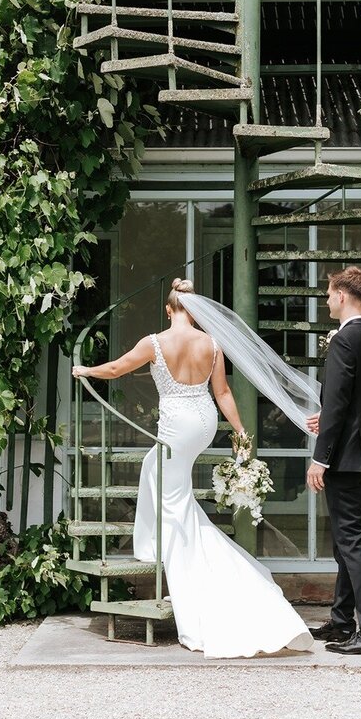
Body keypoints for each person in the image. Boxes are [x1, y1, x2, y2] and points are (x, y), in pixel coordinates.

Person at [72, 276, 313, 660]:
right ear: (195, 310)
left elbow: (117, 368)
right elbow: (223, 393)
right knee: (159, 472)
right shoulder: (212, 344)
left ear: (168, 310)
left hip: (177, 426)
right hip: (203, 423)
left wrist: (85, 370)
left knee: (171, 494)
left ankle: (184, 563)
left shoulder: (154, 342)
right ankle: (153, 544)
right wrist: (240, 431)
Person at [305, 266, 361, 656]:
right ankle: (342, 622)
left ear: (342, 296)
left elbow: (338, 404)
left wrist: (320, 458)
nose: (326, 300)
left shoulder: (343, 342)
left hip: (343, 459)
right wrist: (329, 415)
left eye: (328, 293)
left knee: (351, 543)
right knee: (346, 542)